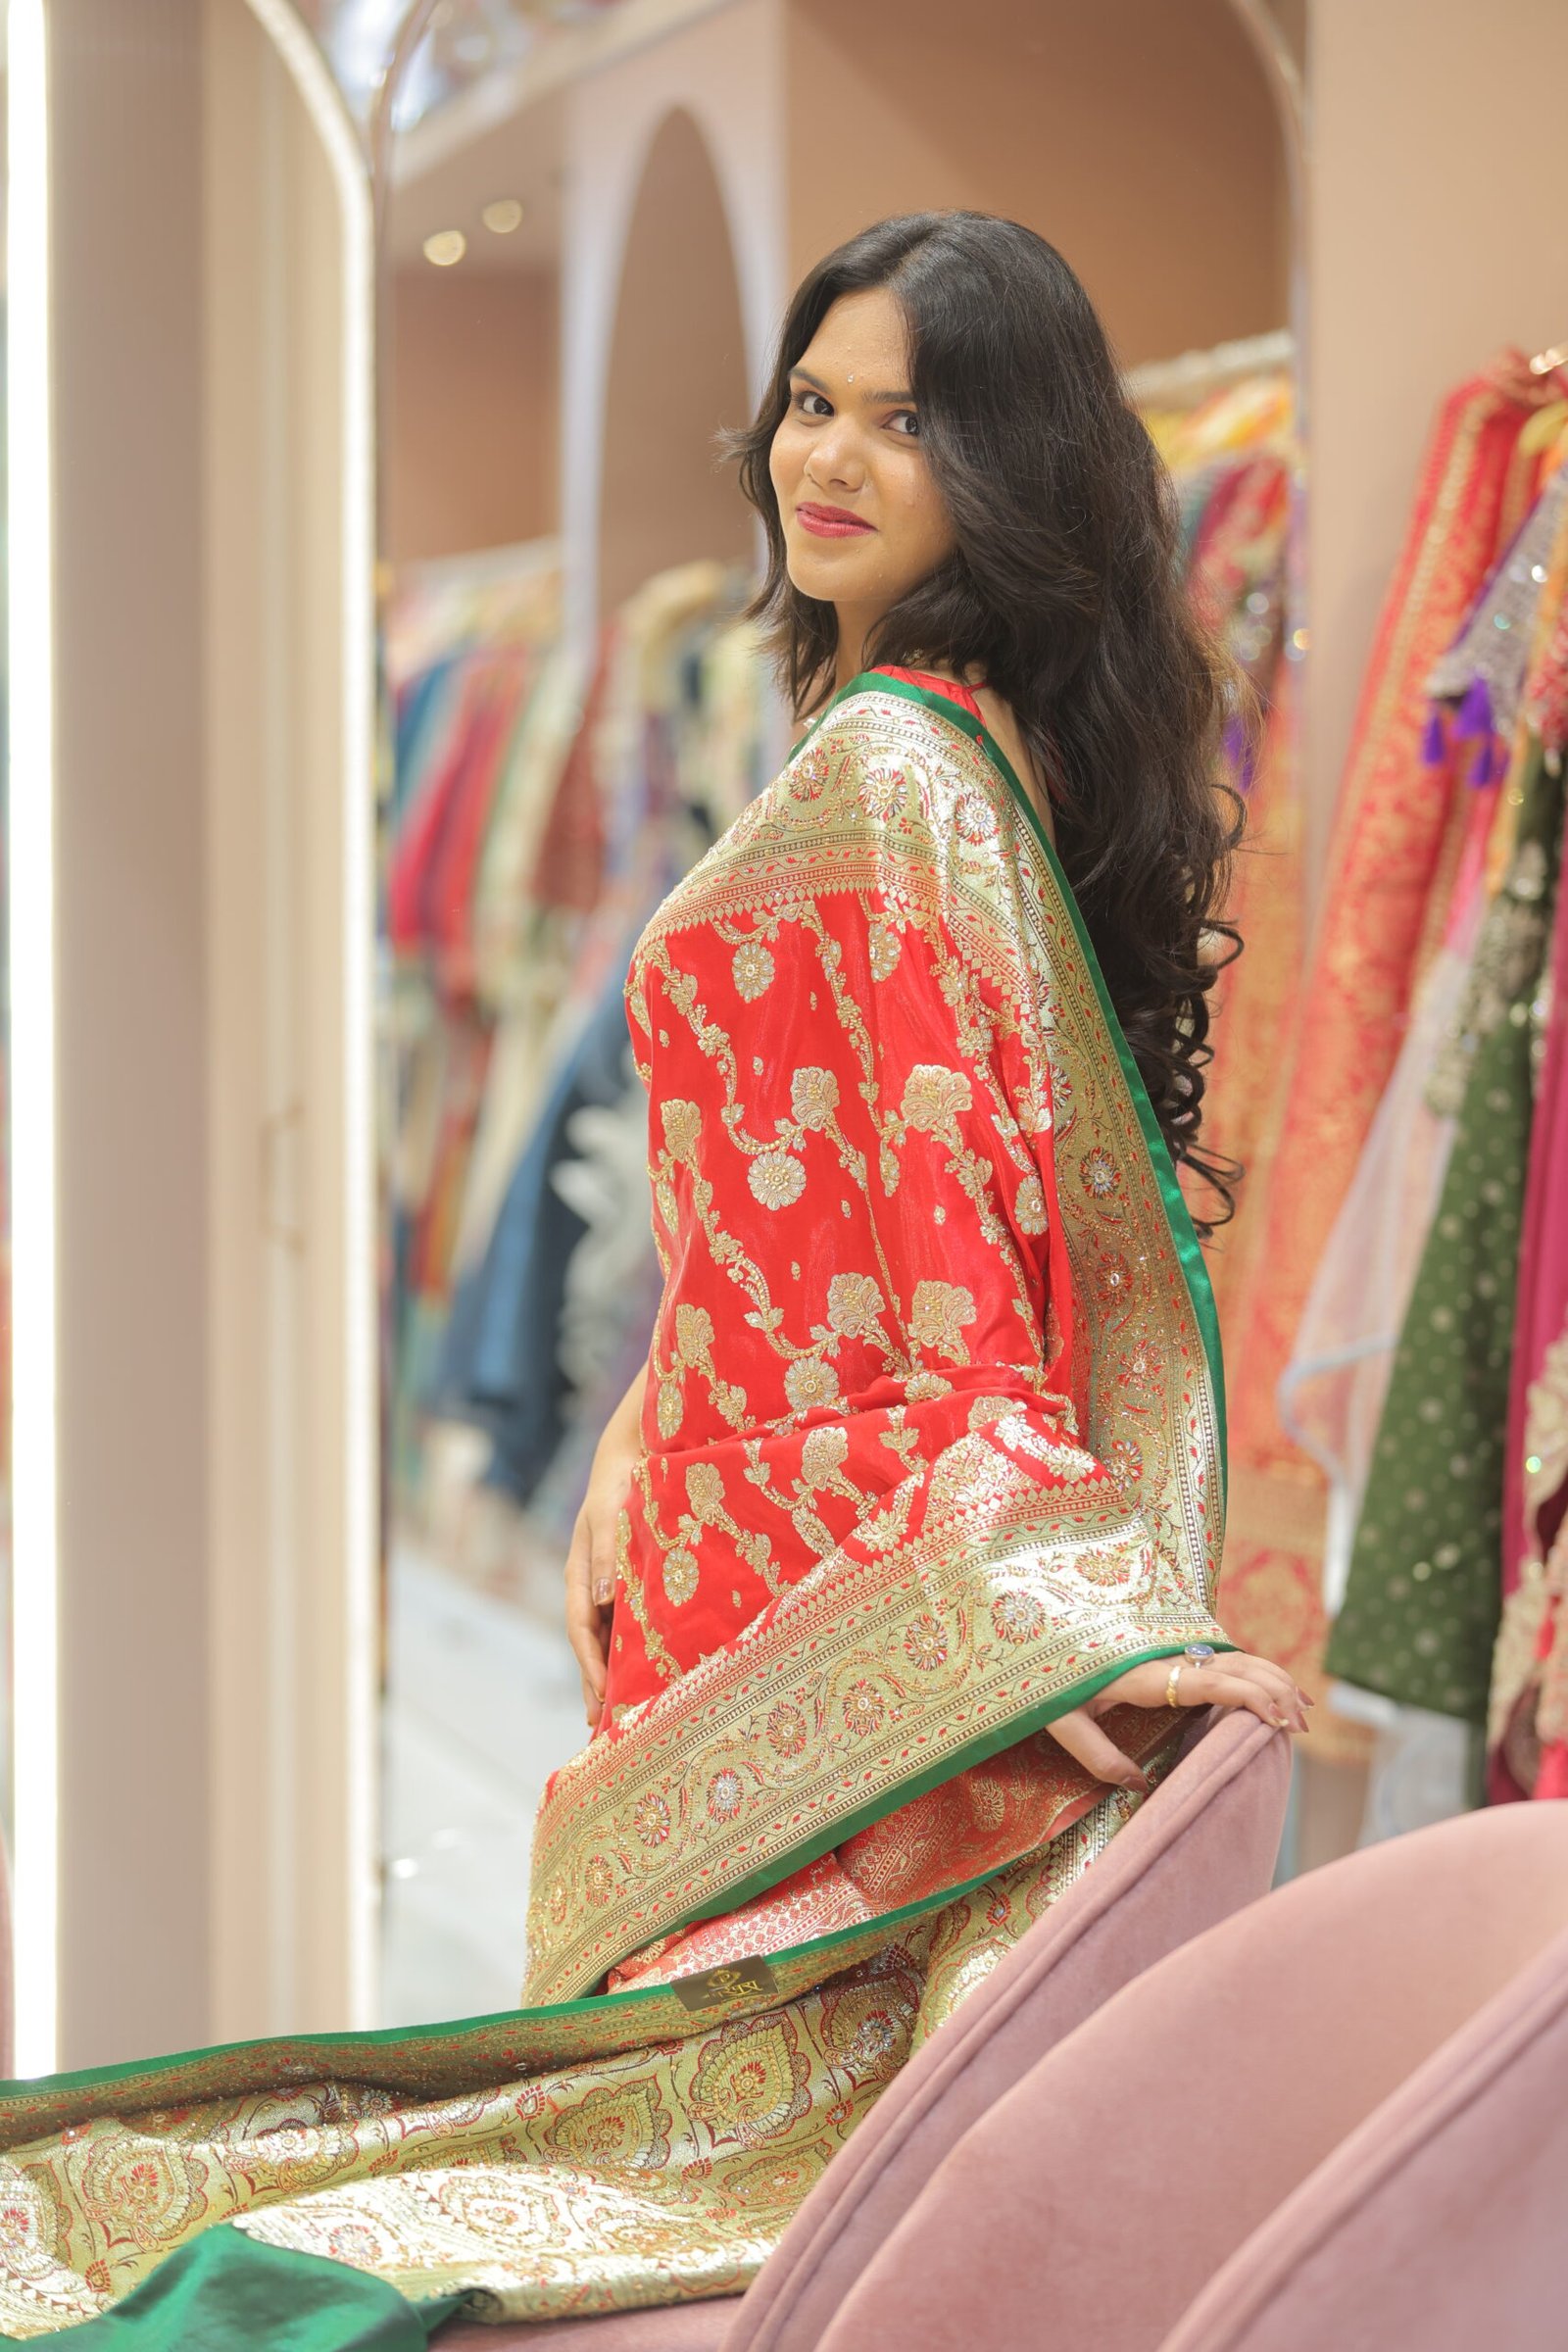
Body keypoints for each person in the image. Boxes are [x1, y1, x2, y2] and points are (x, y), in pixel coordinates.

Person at [0, 212, 1304, 2344]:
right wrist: (629, 1424)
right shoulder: (922, 738)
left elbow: (952, 1263)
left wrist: (1065, 1628)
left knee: (557, 2180)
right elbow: (821, 1222)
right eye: (812, 401)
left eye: (907, 420)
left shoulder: (892, 776)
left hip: (804, 1575)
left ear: (1013, 467)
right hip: (722, 1519)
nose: (831, 458)